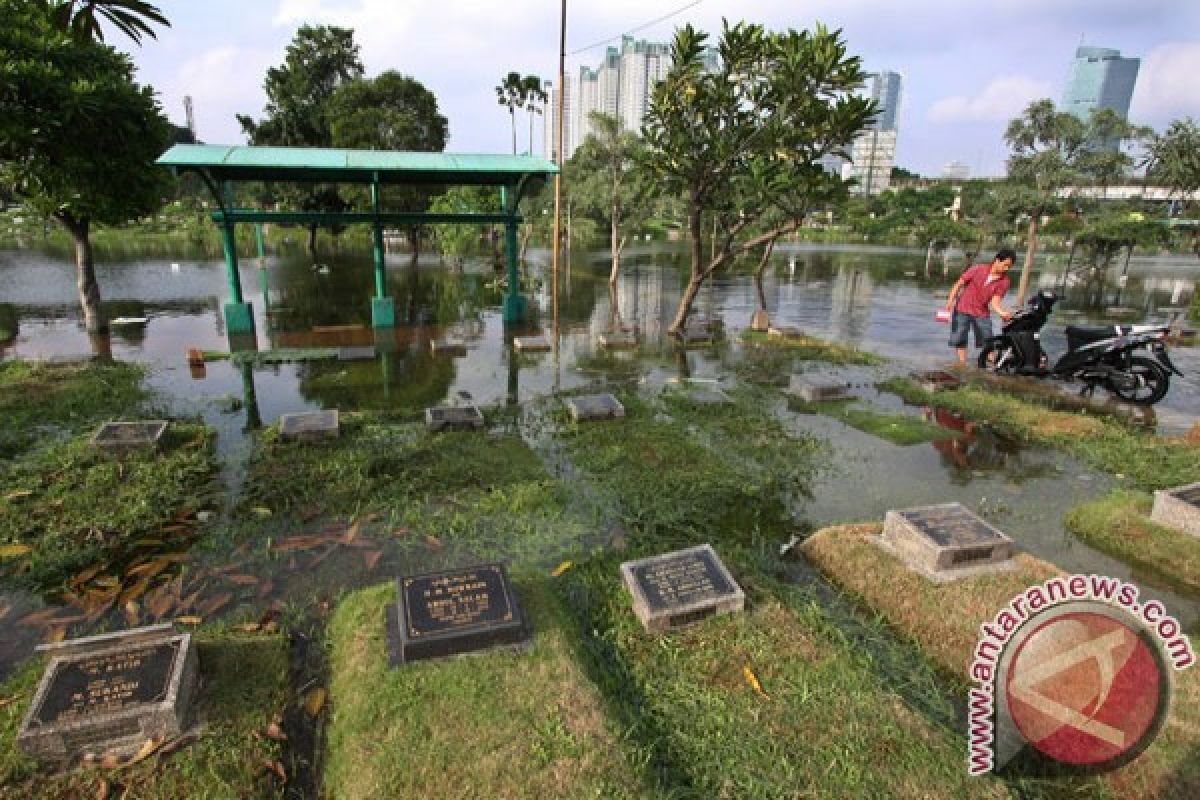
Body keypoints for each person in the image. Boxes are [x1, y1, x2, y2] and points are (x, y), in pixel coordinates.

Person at [944, 248, 1016, 366]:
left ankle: (993, 364)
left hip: (981, 312)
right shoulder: (978, 269)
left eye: (1009, 266)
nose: (1007, 268)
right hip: (962, 308)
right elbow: (959, 284)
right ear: (997, 260)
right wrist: (950, 301)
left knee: (988, 339)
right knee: (959, 338)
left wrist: (1001, 312)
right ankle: (962, 365)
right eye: (1005, 265)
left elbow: (995, 301)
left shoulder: (1005, 281)